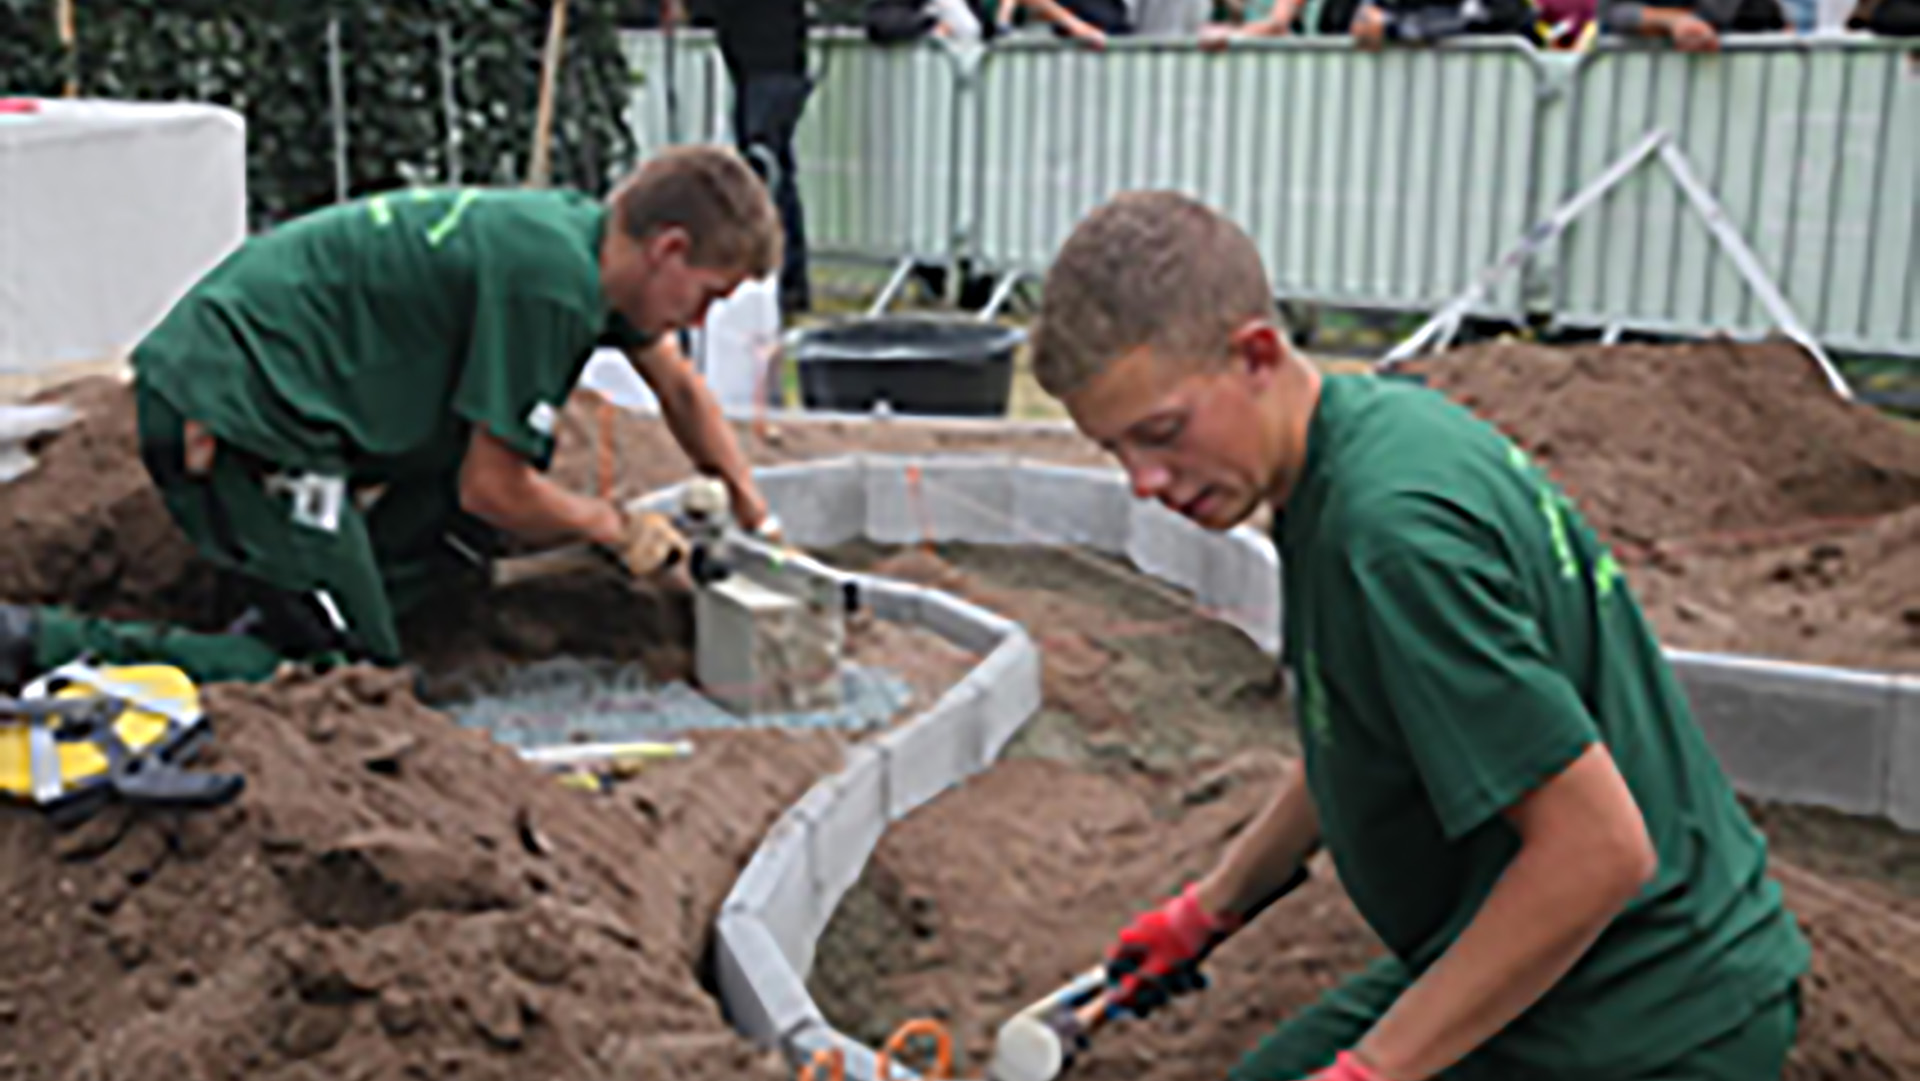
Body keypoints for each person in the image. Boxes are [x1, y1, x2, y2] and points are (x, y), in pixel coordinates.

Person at [1030, 190, 1810, 1081]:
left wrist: (1373, 1071)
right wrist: (1209, 910)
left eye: (1161, 433)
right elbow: (1363, 728)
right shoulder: (1347, 447)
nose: (1143, 481)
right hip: (1578, 965)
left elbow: (1599, 851)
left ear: (1255, 353)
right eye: (1115, 451)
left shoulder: (1392, 535)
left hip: (1647, 1012)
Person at [0, 145, 782, 690]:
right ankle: (41, 644)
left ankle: (308, 597)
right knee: (345, 677)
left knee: (461, 526)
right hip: (237, 412)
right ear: (668, 249)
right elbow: (492, 485)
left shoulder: (584, 246)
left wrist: (753, 508)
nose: (700, 317)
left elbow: (680, 391)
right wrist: (610, 526)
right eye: (709, 294)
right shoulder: (551, 286)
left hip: (287, 401)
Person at [708, 0, 814, 315]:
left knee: (765, 171)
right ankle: (783, 276)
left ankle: (779, 273)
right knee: (771, 171)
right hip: (760, 66)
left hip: (768, 66)